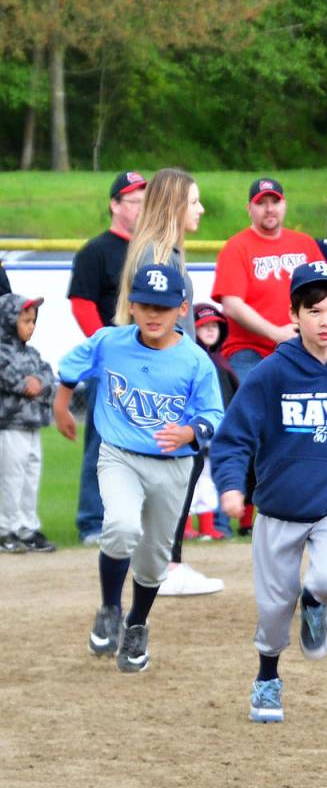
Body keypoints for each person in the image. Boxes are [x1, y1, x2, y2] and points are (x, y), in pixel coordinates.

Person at [211, 261, 327, 722]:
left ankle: (315, 602)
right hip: (278, 507)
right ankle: (268, 677)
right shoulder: (272, 373)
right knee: (274, 609)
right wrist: (233, 487)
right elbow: (234, 437)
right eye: (314, 311)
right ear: (294, 315)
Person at [55, 264, 223, 673]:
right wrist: (61, 405)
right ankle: (110, 608)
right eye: (145, 305)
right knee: (122, 526)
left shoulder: (195, 361)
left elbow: (214, 413)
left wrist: (189, 432)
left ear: (182, 308)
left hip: (174, 465)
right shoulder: (110, 342)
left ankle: (136, 624)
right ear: (131, 305)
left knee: (153, 559)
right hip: (120, 455)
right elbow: (71, 366)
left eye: (164, 308)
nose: (153, 315)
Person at [110, 168, 221, 596]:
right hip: (165, 381)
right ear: (174, 205)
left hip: (167, 377)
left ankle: (163, 561)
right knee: (173, 470)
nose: (200, 209)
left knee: (179, 468)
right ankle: (165, 565)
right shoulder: (159, 256)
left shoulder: (160, 252)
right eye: (193, 201)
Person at [67, 170, 147, 545]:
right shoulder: (96, 251)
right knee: (102, 444)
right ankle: (91, 521)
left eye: (145, 200)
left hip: (151, 361)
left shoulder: (151, 249)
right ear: (115, 205)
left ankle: (138, 518)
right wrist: (106, 348)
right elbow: (82, 305)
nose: (141, 207)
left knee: (147, 442)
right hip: (111, 363)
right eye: (134, 200)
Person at [212, 178, 325, 383]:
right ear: (249, 208)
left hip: (304, 346)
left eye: (275, 202)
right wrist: (276, 334)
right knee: (252, 408)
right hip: (249, 351)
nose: (269, 209)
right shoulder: (236, 247)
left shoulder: (305, 243)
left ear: (285, 205)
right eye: (261, 203)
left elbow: (326, 294)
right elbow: (232, 305)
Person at [0, 294, 55, 553]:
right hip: (9, 425)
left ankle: (26, 527)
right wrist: (28, 383)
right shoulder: (2, 350)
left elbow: (47, 374)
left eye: (33, 321)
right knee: (10, 478)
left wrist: (39, 383)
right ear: (9, 321)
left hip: (31, 424)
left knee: (30, 476)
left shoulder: (32, 353)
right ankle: (5, 529)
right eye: (25, 320)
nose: (31, 326)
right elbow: (9, 378)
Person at [182, 303, 239, 541]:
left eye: (215, 325)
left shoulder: (221, 362)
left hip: (215, 431)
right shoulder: (189, 361)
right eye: (204, 325)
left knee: (206, 479)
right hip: (190, 431)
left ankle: (207, 526)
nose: (210, 330)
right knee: (185, 480)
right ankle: (184, 527)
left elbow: (233, 396)